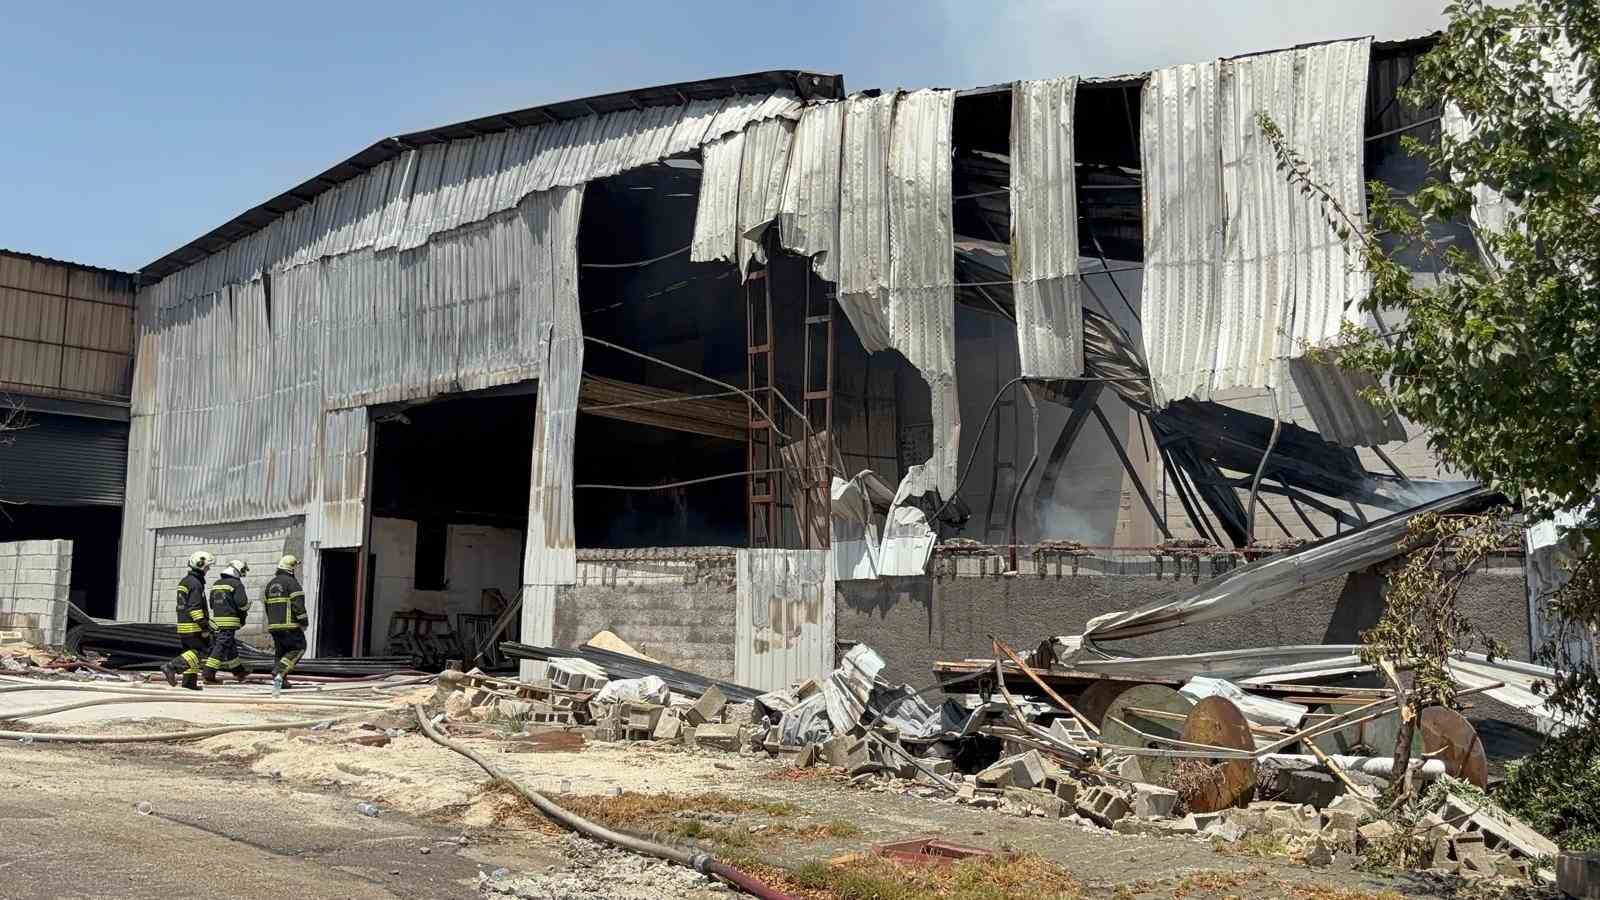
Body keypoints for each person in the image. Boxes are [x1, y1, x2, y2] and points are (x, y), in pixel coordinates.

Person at [161, 552, 215, 690]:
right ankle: (172, 667)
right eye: (207, 567)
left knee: (190, 653)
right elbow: (194, 608)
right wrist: (204, 626)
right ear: (200, 565)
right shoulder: (195, 583)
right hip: (193, 626)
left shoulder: (185, 581)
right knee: (201, 652)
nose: (208, 570)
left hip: (184, 625)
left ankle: (189, 683)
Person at [202, 559, 252, 683]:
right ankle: (209, 672)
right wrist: (246, 609)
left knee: (229, 646)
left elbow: (212, 604)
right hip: (231, 621)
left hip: (217, 620)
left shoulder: (216, 583)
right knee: (221, 646)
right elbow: (242, 604)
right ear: (237, 570)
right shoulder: (236, 584)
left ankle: (238, 671)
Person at [263, 554, 309, 690]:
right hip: (290, 625)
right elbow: (298, 605)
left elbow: (266, 606)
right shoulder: (292, 583)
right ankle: (279, 672)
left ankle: (280, 683)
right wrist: (303, 621)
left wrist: (272, 623)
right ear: (291, 569)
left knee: (281, 653)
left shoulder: (270, 584)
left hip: (274, 626)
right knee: (299, 648)